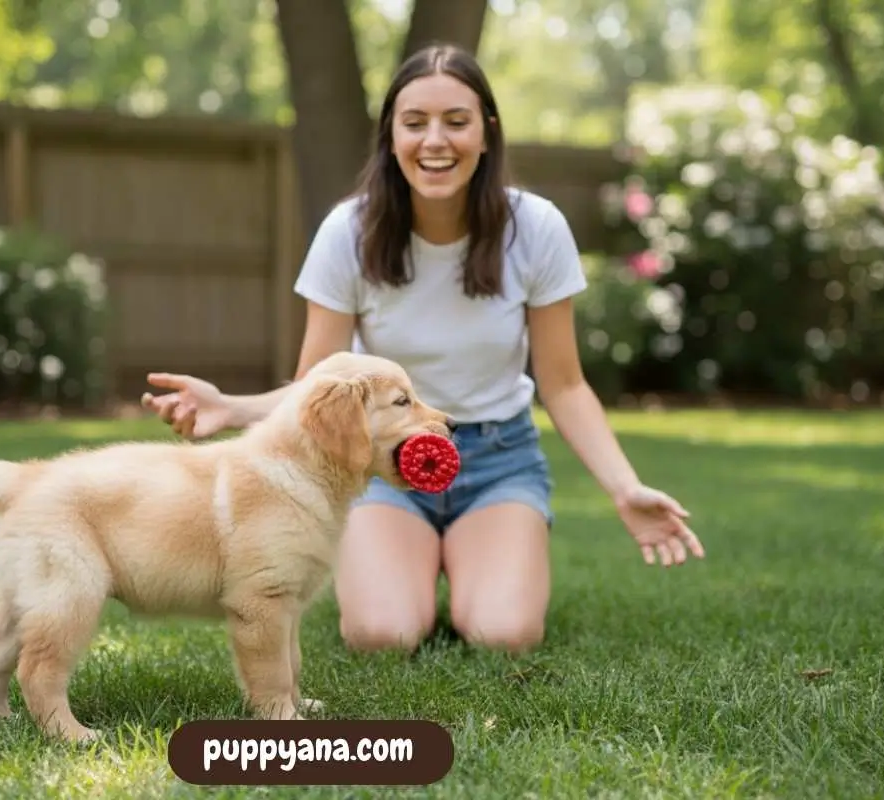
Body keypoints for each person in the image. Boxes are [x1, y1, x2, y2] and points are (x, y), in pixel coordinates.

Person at [140, 42, 704, 656]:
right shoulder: (347, 233)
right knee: (381, 635)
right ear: (391, 137)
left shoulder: (536, 229)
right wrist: (236, 406)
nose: (435, 140)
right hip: (379, 462)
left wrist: (624, 488)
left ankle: (471, 558)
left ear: (486, 134)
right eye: (415, 123)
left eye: (456, 122)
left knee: (504, 635)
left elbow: (564, 384)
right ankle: (409, 562)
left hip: (497, 459)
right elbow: (317, 386)